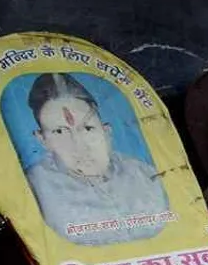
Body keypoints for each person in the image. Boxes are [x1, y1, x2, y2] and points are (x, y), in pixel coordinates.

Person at [22, 72, 171, 246]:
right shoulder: (32, 187)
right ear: (42, 140)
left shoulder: (145, 175)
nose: (79, 145)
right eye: (60, 132)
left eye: (87, 128)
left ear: (106, 131)